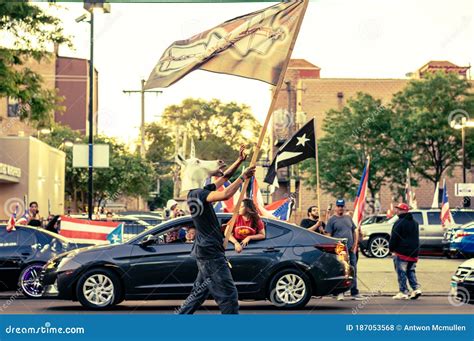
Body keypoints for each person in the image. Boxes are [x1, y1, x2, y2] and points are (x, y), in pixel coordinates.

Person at [177, 145, 255, 315]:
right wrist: (243, 177)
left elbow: (225, 177)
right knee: (228, 296)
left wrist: (240, 160)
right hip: (211, 254)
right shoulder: (198, 194)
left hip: (206, 251)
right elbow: (226, 194)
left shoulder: (197, 193)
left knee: (198, 294)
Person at [326, 199, 364, 301]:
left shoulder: (348, 218)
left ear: (344, 207)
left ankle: (354, 292)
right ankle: (339, 292)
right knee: (342, 270)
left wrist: (355, 244)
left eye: (342, 206)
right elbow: (328, 235)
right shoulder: (331, 220)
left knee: (353, 269)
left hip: (351, 249)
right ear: (336, 207)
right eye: (339, 206)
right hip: (340, 249)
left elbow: (354, 231)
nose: (340, 208)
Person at [389, 203, 422, 300]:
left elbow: (394, 238)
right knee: (410, 271)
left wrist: (391, 249)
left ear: (404, 211)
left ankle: (403, 291)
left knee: (401, 272)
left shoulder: (399, 222)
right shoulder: (415, 223)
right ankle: (416, 289)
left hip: (401, 252)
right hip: (413, 252)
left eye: (399, 209)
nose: (397, 211)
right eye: (397, 209)